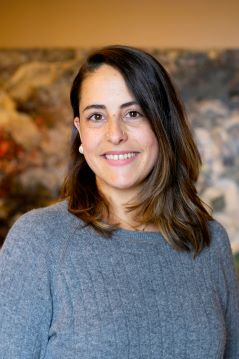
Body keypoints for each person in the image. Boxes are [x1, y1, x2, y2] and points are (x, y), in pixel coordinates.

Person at [0, 45, 238, 358]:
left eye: (133, 113)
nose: (115, 134)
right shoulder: (38, 241)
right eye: (96, 116)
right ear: (80, 133)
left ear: (163, 124)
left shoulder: (209, 243)